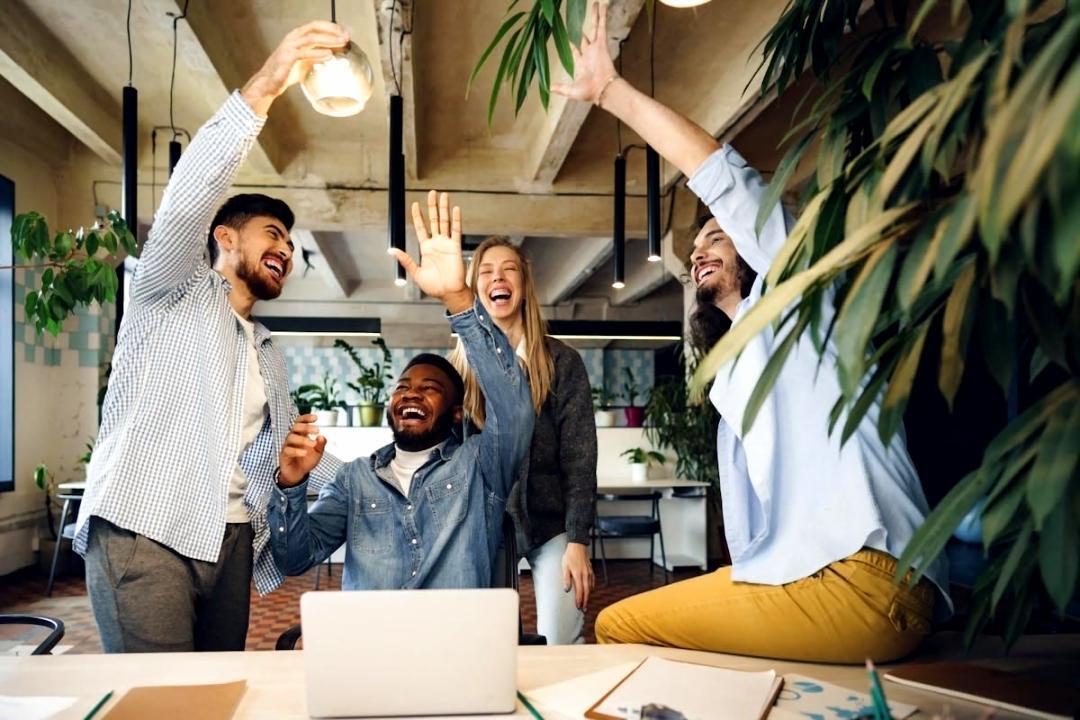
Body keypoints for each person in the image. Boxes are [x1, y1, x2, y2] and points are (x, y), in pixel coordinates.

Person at [551, 3, 950, 663]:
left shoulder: (800, 301)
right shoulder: (742, 358)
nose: (702, 248)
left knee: (619, 627)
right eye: (696, 242)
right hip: (822, 579)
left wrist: (612, 92)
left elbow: (724, 178)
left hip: (863, 579)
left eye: (719, 235)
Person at [72, 22, 350, 653]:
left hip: (230, 546)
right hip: (146, 532)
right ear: (225, 239)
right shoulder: (165, 290)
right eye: (270, 234)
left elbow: (286, 454)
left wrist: (384, 480)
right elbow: (186, 199)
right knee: (161, 703)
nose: (284, 248)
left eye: (290, 242)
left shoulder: (267, 352)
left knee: (217, 694)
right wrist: (265, 86)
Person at [268, 192, 535, 591]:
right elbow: (294, 560)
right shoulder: (354, 479)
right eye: (403, 388)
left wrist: (459, 299)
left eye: (430, 389)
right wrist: (290, 487)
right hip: (373, 646)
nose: (411, 394)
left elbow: (514, 409)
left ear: (457, 412)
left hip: (455, 644)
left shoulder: (480, 467)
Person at [448, 237, 596, 645]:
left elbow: (580, 460)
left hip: (550, 524)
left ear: (525, 283)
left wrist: (578, 541)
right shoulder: (459, 369)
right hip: (487, 525)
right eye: (486, 270)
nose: (498, 277)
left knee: (561, 640)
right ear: (475, 288)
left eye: (509, 268)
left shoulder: (562, 362)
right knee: (486, 643)